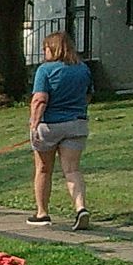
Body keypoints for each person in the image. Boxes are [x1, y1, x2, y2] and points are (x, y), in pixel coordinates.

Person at [28, 29, 92, 230]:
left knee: (44, 169)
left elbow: (40, 99)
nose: (43, 51)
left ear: (53, 49)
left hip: (50, 125)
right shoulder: (83, 69)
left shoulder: (45, 70)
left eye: (45, 48)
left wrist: (34, 124)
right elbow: (88, 95)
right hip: (77, 123)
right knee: (72, 170)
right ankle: (80, 208)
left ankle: (42, 213)